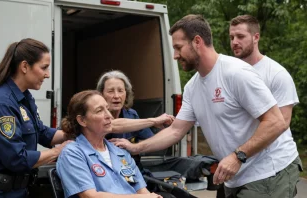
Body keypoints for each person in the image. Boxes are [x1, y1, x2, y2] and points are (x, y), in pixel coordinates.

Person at [110, 14, 301, 198]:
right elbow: (176, 131)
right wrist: (136, 148)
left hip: (270, 171)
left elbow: (276, 122)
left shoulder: (236, 73)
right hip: (236, 175)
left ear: (197, 42)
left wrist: (237, 156)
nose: (175, 55)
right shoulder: (192, 87)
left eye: (178, 47)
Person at [0, 38, 71, 198]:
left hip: (13, 191)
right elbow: (17, 159)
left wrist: (75, 133)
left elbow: (42, 133)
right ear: (24, 66)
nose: (47, 74)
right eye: (44, 67)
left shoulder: (24, 97)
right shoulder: (0, 102)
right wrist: (58, 151)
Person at [228, 15, 302, 197]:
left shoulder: (276, 74)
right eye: (231, 38)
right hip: (239, 169)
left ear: (256, 37)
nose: (234, 42)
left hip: (274, 166)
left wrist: (239, 155)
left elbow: (281, 123)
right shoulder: (229, 72)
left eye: (240, 36)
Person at [97, 70, 216, 182]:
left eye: (120, 91)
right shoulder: (97, 115)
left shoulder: (131, 114)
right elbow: (113, 124)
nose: (116, 96)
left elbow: (151, 140)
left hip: (131, 170)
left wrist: (168, 129)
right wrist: (154, 121)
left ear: (126, 94)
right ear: (101, 94)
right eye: (111, 91)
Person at [56, 90, 162, 198]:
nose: (109, 116)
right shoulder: (72, 153)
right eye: (99, 111)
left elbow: (141, 191)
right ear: (82, 121)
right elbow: (90, 196)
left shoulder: (120, 152)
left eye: (107, 108)